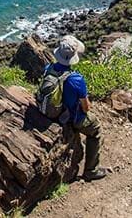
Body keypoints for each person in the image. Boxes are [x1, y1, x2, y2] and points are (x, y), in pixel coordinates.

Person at [44, 35, 108, 181]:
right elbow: (86, 108)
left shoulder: (49, 68)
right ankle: (91, 171)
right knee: (96, 129)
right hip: (72, 118)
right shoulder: (76, 79)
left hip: (53, 113)